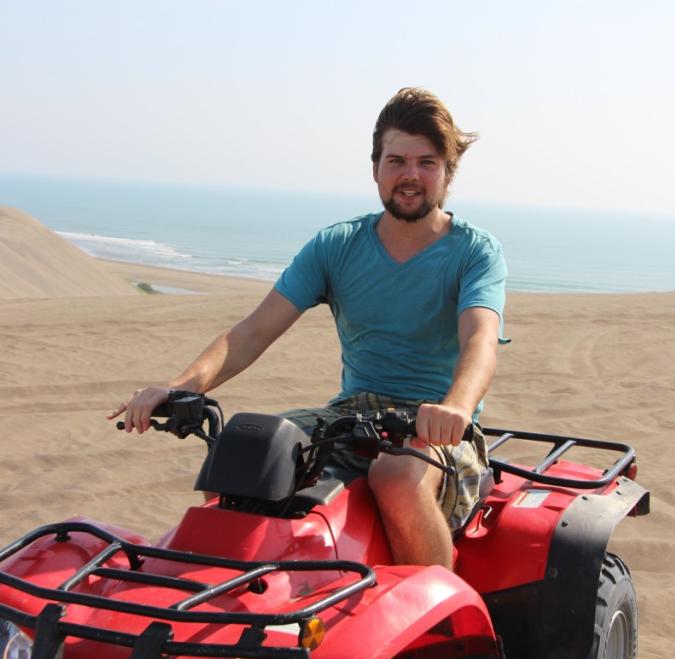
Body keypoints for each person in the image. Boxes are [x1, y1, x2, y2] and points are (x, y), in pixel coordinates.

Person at [109, 87, 507, 570]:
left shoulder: (474, 253)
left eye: (426, 162)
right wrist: (177, 388)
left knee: (397, 477)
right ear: (376, 167)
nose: (410, 175)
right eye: (396, 160)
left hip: (439, 425)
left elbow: (480, 340)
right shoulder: (336, 246)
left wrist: (456, 407)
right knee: (242, 455)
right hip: (353, 415)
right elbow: (251, 333)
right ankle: (227, 609)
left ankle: (445, 627)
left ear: (447, 171)